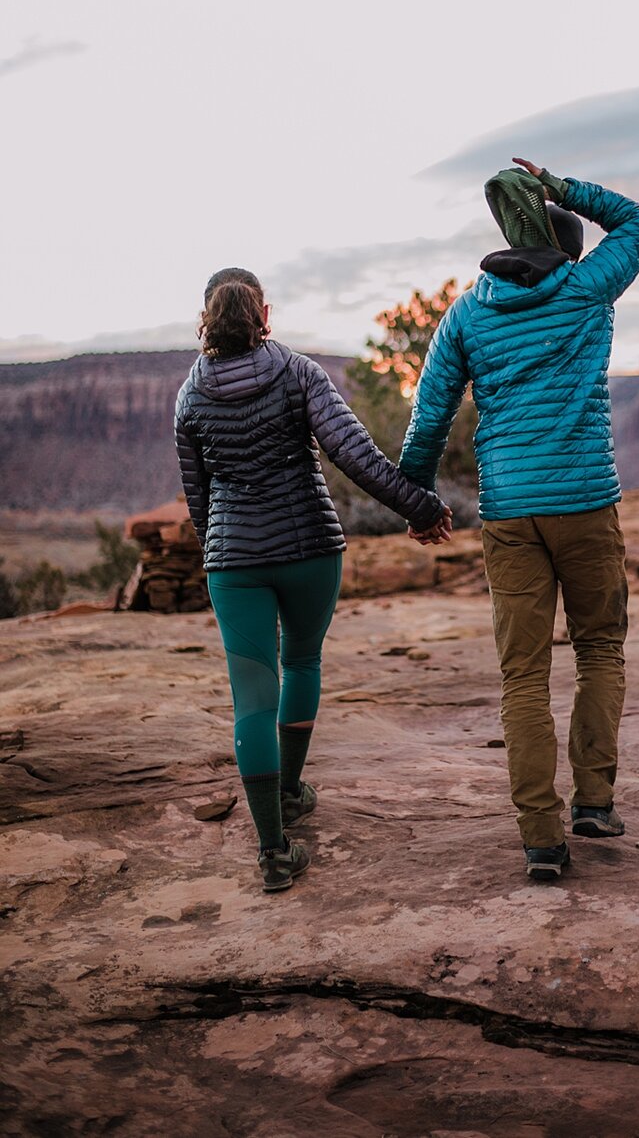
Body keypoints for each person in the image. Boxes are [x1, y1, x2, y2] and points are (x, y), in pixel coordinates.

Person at [399, 159, 639, 879]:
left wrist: (417, 499)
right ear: (565, 247)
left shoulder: (468, 311)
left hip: (511, 512)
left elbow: (430, 413)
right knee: (600, 646)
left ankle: (541, 841)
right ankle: (595, 803)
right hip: (585, 501)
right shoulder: (585, 287)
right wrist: (565, 187)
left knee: (523, 676)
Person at [175, 268, 451, 893]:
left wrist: (221, 547)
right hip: (308, 550)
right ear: (263, 316)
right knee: (300, 663)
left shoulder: (188, 399)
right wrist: (422, 508)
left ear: (207, 323)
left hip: (234, 561)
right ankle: (292, 793)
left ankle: (273, 850)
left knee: (251, 693)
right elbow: (354, 455)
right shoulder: (299, 372)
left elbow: (200, 500)